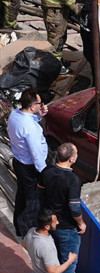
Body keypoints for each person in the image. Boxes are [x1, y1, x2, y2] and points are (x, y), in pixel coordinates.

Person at [37, 143, 86, 273]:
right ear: (71, 159)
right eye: (77, 153)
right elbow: (74, 206)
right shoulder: (73, 180)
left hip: (51, 224)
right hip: (67, 227)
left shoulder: (47, 171)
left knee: (56, 254)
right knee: (70, 261)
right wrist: (81, 223)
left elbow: (40, 193)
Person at [9, 88, 49, 236]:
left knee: (21, 195)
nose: (41, 105)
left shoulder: (15, 115)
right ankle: (27, 230)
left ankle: (19, 227)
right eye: (39, 103)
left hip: (19, 162)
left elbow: (26, 121)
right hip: (29, 167)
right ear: (32, 106)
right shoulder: (31, 128)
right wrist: (44, 172)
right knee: (31, 201)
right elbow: (36, 153)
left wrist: (39, 115)